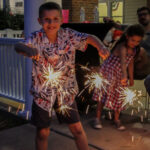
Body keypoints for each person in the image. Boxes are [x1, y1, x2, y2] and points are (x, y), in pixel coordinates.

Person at [14, 2, 109, 150]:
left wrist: (100, 46)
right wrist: (27, 50)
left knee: (77, 129)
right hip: (43, 94)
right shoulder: (36, 37)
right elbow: (18, 46)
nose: (51, 23)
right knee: (42, 132)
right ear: (40, 21)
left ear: (61, 20)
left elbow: (89, 37)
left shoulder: (69, 35)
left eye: (55, 19)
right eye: (47, 19)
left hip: (66, 92)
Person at [92, 24, 144, 131]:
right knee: (102, 96)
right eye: (133, 40)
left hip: (120, 75)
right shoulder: (122, 47)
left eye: (138, 41)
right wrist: (125, 76)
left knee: (119, 97)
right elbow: (123, 62)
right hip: (108, 73)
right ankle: (97, 118)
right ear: (127, 36)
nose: (135, 43)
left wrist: (131, 78)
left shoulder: (134, 50)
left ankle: (116, 119)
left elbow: (130, 63)